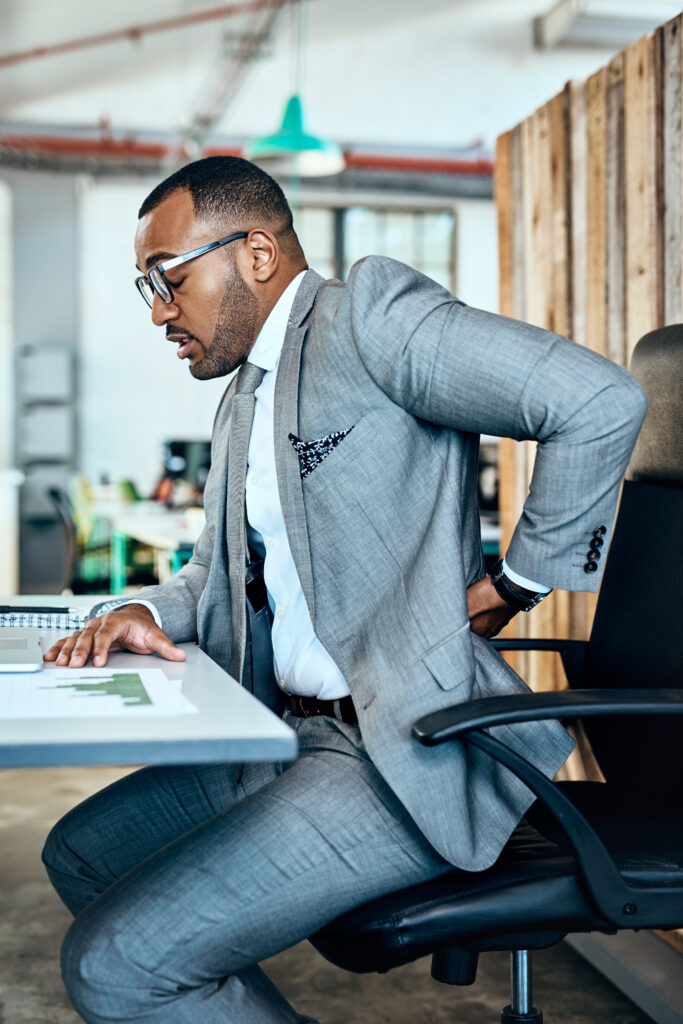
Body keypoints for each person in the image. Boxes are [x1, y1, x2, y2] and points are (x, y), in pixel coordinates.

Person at [42, 156, 647, 1024]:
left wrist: (516, 582)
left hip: (396, 753)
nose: (161, 312)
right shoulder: (244, 393)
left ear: (255, 252)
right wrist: (134, 612)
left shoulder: (370, 317)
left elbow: (594, 399)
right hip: (279, 733)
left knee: (116, 967)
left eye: (168, 280)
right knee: (82, 854)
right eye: (148, 287)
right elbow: (216, 571)